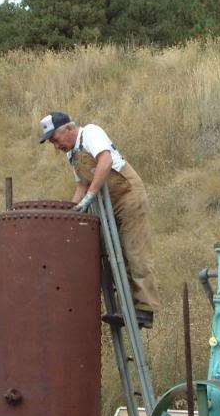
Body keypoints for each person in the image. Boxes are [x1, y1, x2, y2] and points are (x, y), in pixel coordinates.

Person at [39, 111, 160, 329]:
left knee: (135, 250)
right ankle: (124, 307)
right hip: (107, 203)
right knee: (111, 253)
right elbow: (81, 185)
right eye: (51, 143)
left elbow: (105, 161)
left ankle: (144, 309)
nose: (56, 146)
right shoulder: (72, 155)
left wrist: (90, 197)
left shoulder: (91, 133)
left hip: (127, 194)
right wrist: (70, 215)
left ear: (68, 128)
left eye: (55, 140)